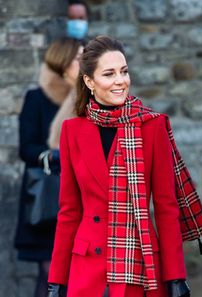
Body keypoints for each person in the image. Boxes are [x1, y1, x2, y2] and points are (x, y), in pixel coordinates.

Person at [47, 35, 202, 297]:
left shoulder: (152, 127)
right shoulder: (71, 131)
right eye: (109, 74)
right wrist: (56, 280)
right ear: (89, 81)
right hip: (86, 271)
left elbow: (166, 208)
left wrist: (176, 276)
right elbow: (69, 212)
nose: (120, 81)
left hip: (140, 267)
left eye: (124, 71)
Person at [14, 37, 83, 297]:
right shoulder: (36, 98)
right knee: (50, 274)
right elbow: (26, 148)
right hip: (48, 199)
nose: (85, 63)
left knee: (81, 275)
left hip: (81, 198)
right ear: (63, 62)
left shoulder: (89, 97)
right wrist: (56, 156)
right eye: (79, 58)